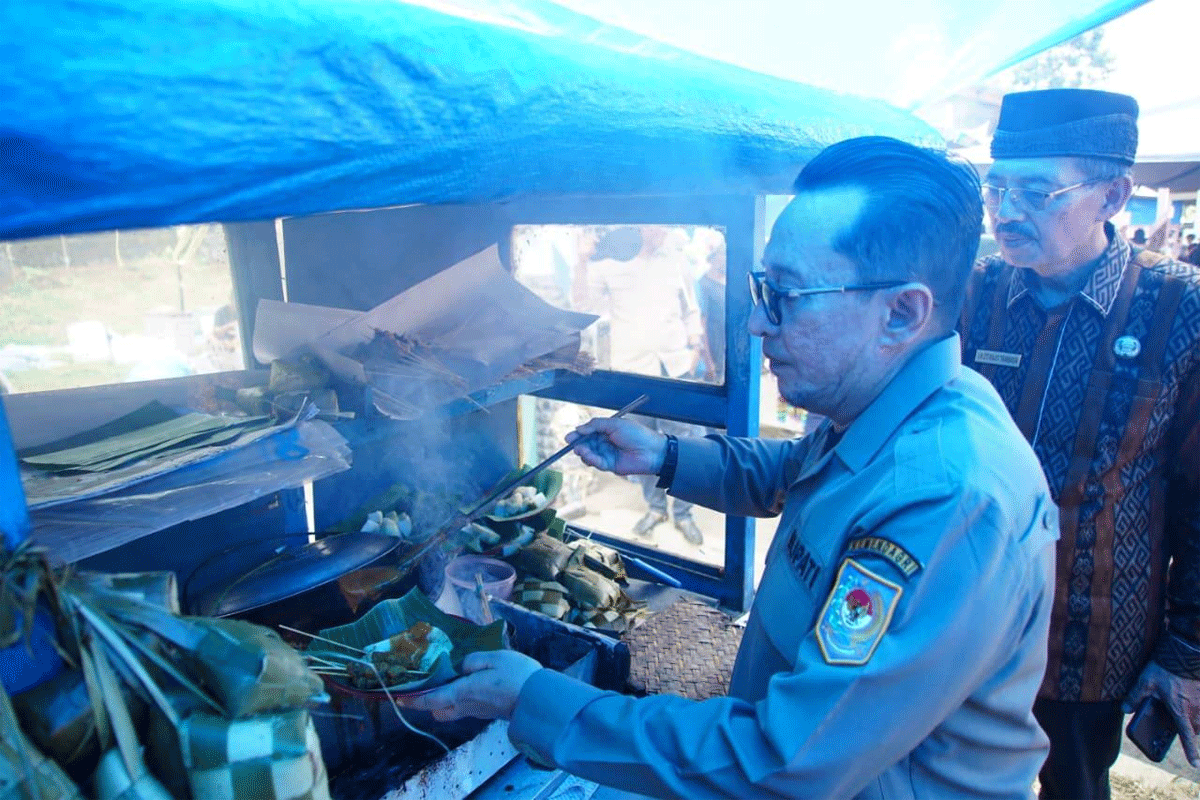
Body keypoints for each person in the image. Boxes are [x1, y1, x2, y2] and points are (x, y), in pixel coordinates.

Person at [404, 136, 1059, 799]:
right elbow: (798, 472)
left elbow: (782, 763)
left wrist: (536, 700)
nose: (754, 324)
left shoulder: (945, 497)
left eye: (786, 296)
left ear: (901, 312)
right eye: (760, 288)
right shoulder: (892, 408)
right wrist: (664, 457)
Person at [960, 88, 1200, 800]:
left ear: (1114, 195)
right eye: (996, 187)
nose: (1006, 211)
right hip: (962, 618)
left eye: (1036, 190)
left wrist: (1185, 652)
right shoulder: (974, 293)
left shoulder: (1180, 310)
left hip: (1088, 643)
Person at [578, 225, 708, 546]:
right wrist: (581, 261)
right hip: (634, 370)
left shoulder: (675, 257)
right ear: (640, 226)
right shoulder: (611, 261)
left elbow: (690, 306)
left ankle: (683, 513)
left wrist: (694, 345)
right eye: (658, 224)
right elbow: (584, 306)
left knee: (684, 442)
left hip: (675, 368)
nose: (664, 229)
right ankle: (656, 508)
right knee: (642, 445)